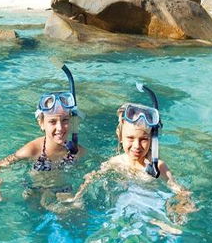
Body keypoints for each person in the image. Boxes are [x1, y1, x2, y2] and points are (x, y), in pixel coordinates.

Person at [65, 84, 196, 229]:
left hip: (151, 212)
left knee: (173, 231)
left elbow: (179, 190)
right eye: (130, 138)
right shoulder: (115, 162)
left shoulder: (157, 167)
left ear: (153, 139)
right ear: (120, 136)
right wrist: (78, 196)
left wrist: (182, 204)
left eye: (144, 139)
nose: (136, 146)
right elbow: (92, 177)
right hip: (123, 209)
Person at [0, 64, 85, 207]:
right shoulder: (32, 150)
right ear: (41, 123)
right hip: (35, 191)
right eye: (52, 121)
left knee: (78, 209)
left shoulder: (77, 151)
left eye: (65, 120)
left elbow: (100, 166)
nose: (60, 127)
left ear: (73, 121)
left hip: (63, 190)